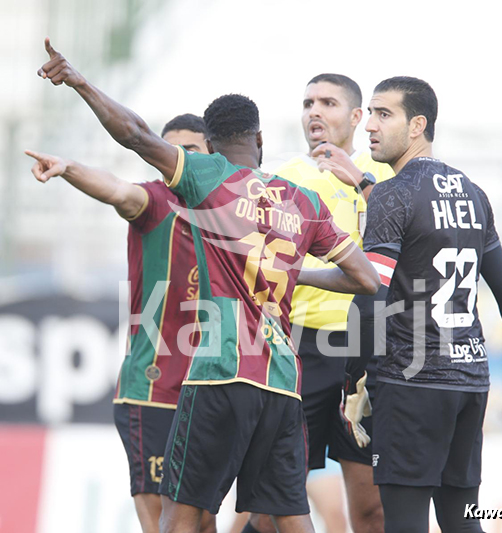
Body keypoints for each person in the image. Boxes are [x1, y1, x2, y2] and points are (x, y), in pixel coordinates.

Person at [36, 38, 381, 533]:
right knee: (289, 515)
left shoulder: (207, 177)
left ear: (212, 147)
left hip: (220, 371)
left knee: (184, 513)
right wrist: (292, 272)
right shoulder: (302, 200)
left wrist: (80, 81)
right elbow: (365, 279)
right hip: (284, 379)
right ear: (259, 141)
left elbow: (134, 133)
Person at [329, 76, 502, 532]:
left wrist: (354, 381)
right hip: (470, 381)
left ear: (418, 125)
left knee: (406, 523)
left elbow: (372, 290)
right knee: (461, 521)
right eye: (370, 113)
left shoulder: (395, 193)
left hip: (412, 383)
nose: (370, 125)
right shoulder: (473, 193)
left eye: (383, 114)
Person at [25, 107, 216, 533]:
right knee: (167, 524)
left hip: (209, 390)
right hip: (154, 390)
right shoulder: (154, 201)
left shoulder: (230, 210)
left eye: (190, 151)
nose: (177, 159)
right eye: (168, 150)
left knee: (204, 523)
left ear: (212, 156)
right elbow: (115, 189)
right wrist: (69, 168)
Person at [247, 73, 393, 533]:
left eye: (328, 103)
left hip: (368, 349)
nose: (314, 111)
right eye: (308, 102)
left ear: (356, 117)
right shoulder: (282, 178)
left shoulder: (383, 177)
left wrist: (365, 184)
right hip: (300, 348)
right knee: (272, 505)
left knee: (372, 508)